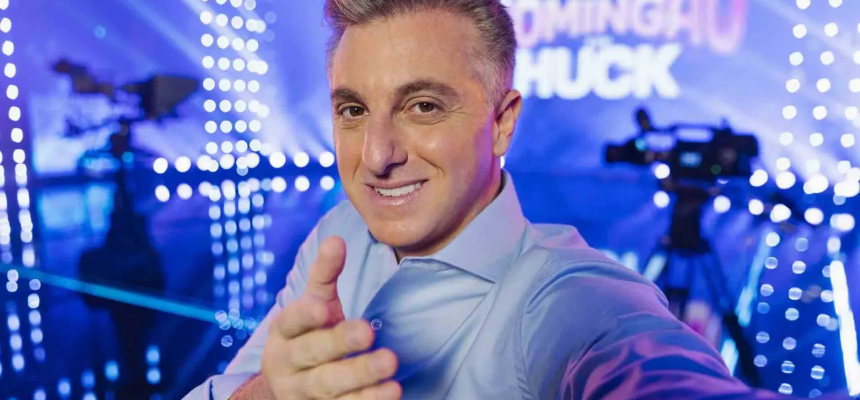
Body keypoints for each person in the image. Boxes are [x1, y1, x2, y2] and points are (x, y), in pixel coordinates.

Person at [184, 1, 849, 399]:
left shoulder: (573, 303)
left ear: (502, 122)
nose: (376, 155)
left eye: (423, 106)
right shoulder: (341, 232)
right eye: (354, 110)